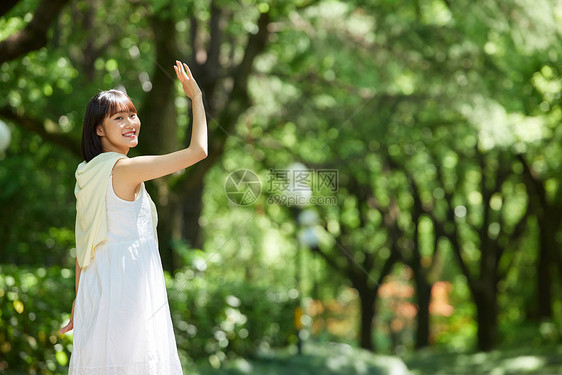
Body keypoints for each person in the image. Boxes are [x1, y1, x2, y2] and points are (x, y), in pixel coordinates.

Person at [58, 60, 207, 374]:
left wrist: (78, 299)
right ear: (99, 129)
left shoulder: (87, 173)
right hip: (128, 287)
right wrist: (196, 98)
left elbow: (84, 242)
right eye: (118, 118)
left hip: (98, 285)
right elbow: (198, 151)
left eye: (132, 115)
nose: (130, 123)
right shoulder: (124, 168)